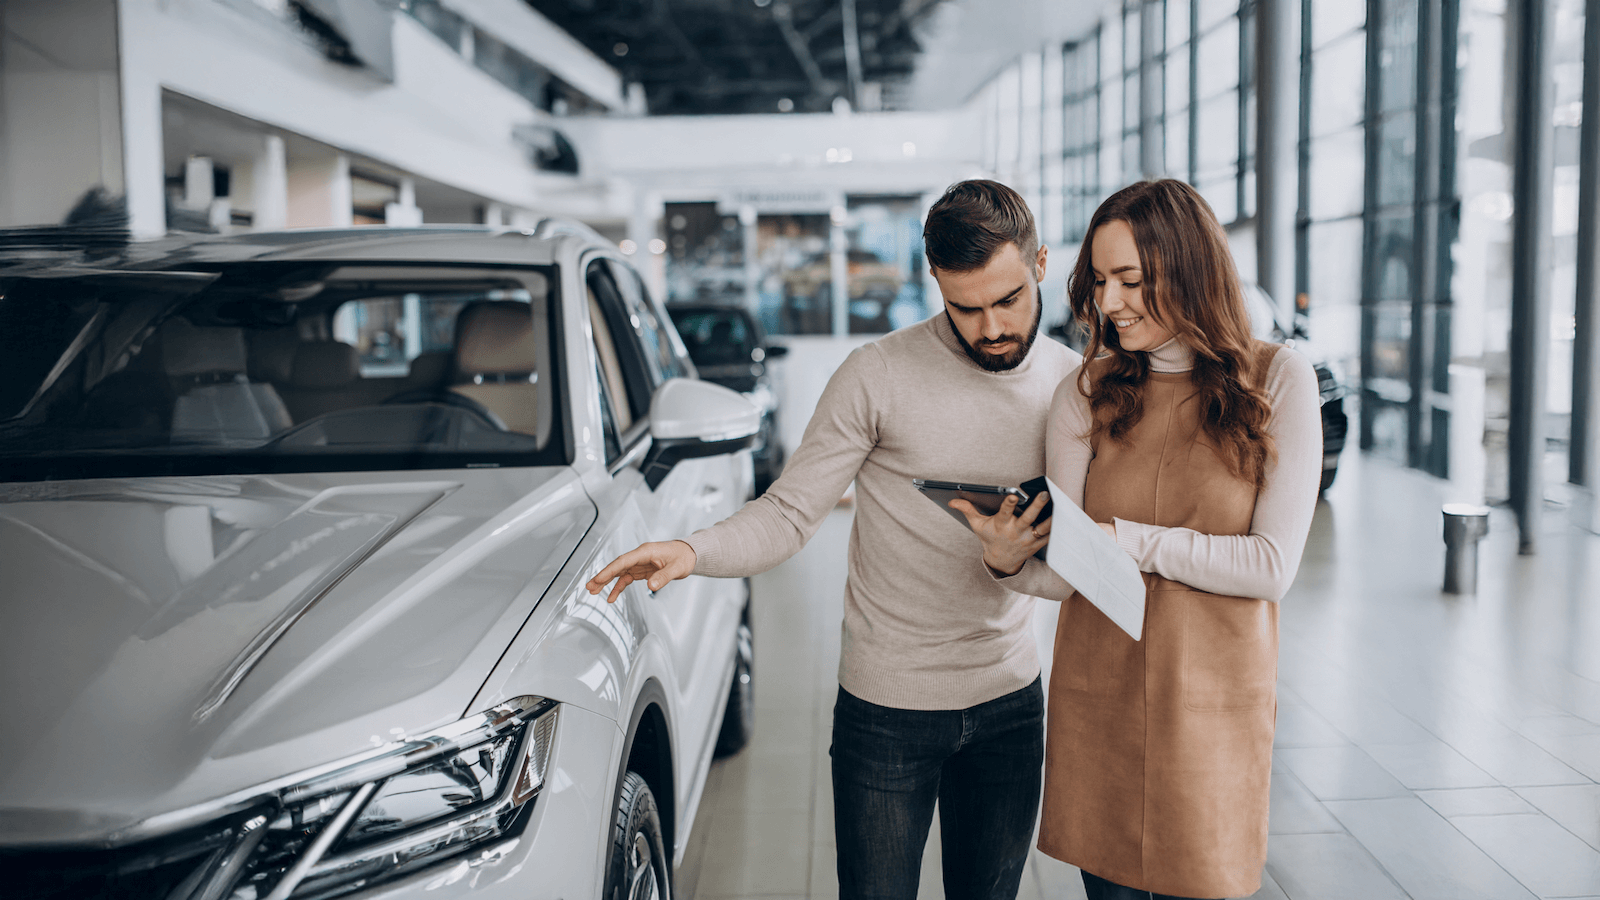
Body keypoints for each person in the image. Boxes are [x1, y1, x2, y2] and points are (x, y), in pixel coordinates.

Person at [586, 179, 1082, 900]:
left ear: (1040, 264)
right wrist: (694, 551)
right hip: (887, 711)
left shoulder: (1074, 386)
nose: (990, 328)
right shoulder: (876, 375)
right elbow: (789, 513)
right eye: (965, 308)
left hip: (1010, 700)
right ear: (935, 282)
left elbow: (1088, 542)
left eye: (1007, 300)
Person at [973, 179, 1321, 900]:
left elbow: (1271, 567)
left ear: (1191, 269)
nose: (1110, 303)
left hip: (1213, 709)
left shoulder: (1278, 379)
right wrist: (1008, 563)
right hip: (1101, 699)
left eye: (1131, 280)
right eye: (1099, 281)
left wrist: (1132, 539)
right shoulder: (1086, 391)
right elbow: (1068, 564)